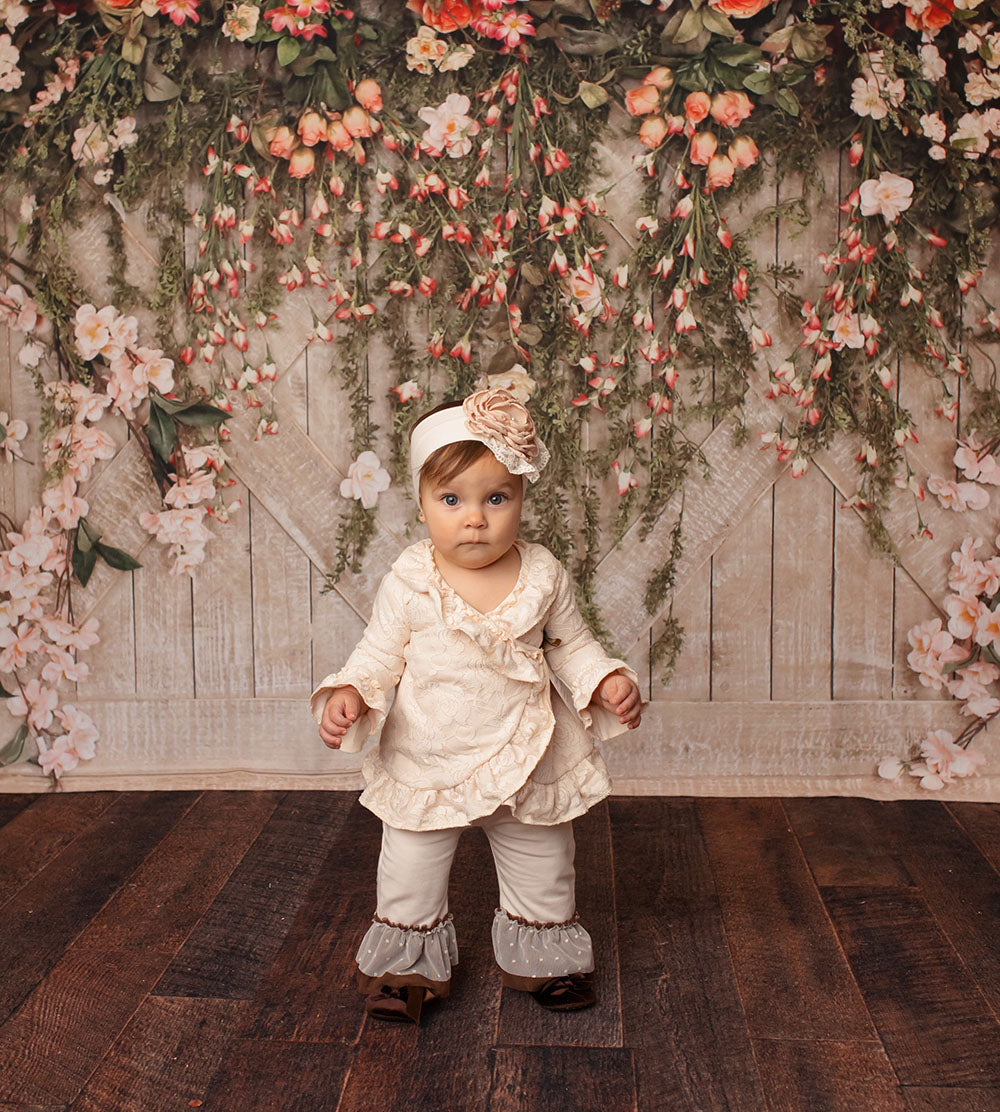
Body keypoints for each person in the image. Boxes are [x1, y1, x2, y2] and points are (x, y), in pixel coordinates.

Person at [310, 387, 642, 1025]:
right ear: (421, 502)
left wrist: (602, 680)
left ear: (522, 496)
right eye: (452, 499)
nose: (475, 519)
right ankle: (404, 970)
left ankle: (549, 963)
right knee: (409, 863)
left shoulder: (543, 574)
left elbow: (572, 644)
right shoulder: (409, 580)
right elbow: (378, 654)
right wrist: (351, 692)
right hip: (428, 750)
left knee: (544, 860)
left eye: (497, 498)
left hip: (526, 749)